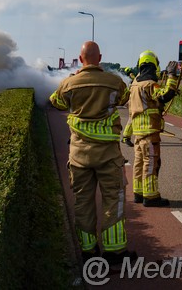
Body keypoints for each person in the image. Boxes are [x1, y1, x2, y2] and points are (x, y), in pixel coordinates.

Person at [49, 41, 136, 265]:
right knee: (113, 200)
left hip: (79, 156)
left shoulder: (69, 84)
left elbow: (55, 102)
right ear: (100, 58)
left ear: (80, 59)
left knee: (83, 202)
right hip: (108, 156)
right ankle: (115, 251)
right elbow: (124, 99)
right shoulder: (114, 82)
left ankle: (88, 251)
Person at [128, 50, 179, 207]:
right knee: (151, 163)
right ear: (153, 66)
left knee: (138, 163)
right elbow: (165, 95)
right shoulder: (150, 84)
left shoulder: (134, 85)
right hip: (150, 132)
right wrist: (172, 76)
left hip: (138, 133)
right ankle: (150, 197)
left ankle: (138, 193)